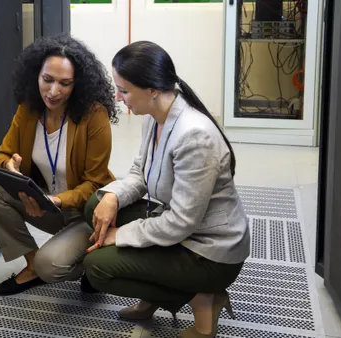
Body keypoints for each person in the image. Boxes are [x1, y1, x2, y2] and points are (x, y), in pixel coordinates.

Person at [82, 41, 251, 338]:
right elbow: (139, 174)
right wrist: (112, 197)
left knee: (97, 268)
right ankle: (155, 291)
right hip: (181, 228)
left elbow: (181, 223)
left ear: (152, 90)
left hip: (208, 252)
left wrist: (119, 236)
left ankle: (203, 297)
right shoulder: (155, 118)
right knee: (95, 205)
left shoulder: (194, 135)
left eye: (124, 90)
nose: (119, 98)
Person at [0, 34, 119, 296]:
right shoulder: (29, 109)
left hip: (85, 212)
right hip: (45, 204)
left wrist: (58, 201)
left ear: (78, 85)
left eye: (65, 83)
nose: (53, 92)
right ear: (36, 75)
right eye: (47, 80)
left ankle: (92, 264)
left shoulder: (94, 115)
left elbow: (95, 183)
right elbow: (2, 155)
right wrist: (11, 168)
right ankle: (31, 266)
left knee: (51, 266)